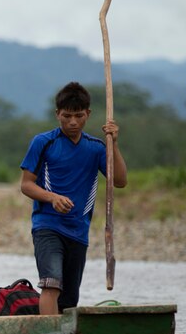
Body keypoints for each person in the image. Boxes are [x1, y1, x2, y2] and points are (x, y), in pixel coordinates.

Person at [20, 81, 126, 315]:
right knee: (51, 284)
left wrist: (114, 144)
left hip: (79, 231)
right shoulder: (44, 142)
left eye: (79, 116)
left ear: (88, 114)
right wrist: (52, 198)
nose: (73, 122)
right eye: (67, 116)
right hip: (47, 226)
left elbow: (119, 181)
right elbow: (26, 185)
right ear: (57, 114)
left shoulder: (97, 147)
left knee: (69, 298)